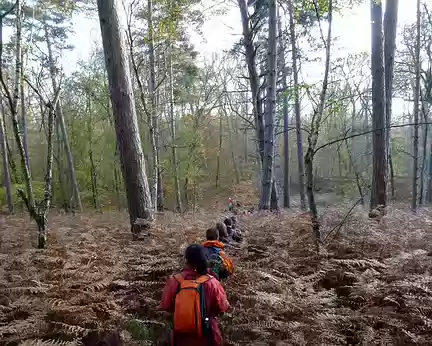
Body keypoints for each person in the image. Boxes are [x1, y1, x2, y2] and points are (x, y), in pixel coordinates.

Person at [160, 244, 229, 346]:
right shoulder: (211, 282)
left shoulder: (175, 281)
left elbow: (165, 306)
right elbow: (223, 307)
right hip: (207, 336)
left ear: (186, 259)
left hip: (181, 338)